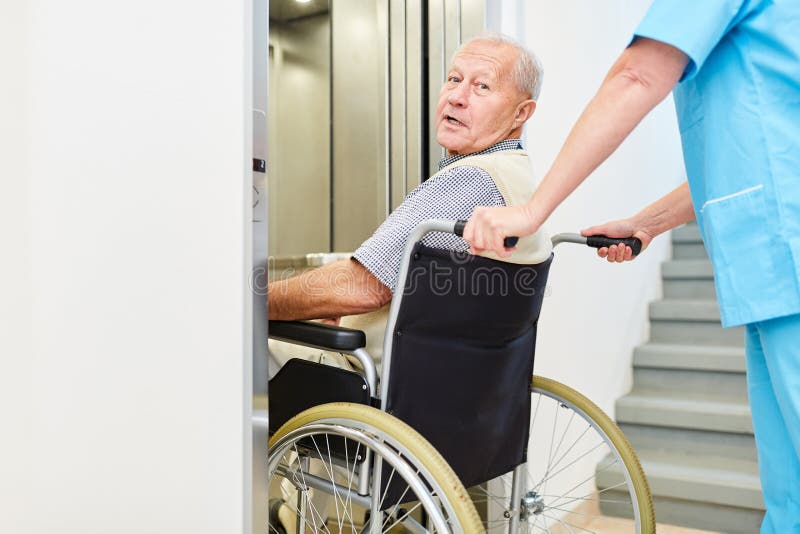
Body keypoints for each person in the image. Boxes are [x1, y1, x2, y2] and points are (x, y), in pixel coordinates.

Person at [463, 2, 800, 531]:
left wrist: (532, 211)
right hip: (770, 271)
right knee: (790, 492)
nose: (459, 95)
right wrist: (646, 223)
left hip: (784, 254)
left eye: (481, 85)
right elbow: (757, 153)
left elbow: (638, 75)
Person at [268, 32, 551, 370]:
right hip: (457, 378)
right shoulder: (517, 176)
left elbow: (363, 287)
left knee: (238, 338)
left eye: (482, 86)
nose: (457, 97)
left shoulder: (472, 177)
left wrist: (257, 301)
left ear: (522, 113)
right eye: (454, 79)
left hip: (368, 374)